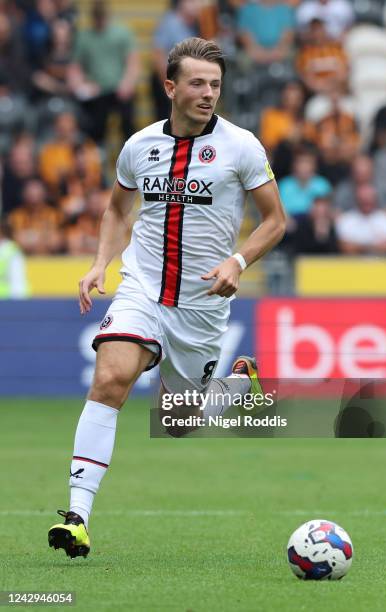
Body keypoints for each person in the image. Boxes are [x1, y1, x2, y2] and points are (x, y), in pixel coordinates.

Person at [47, 37, 286, 558]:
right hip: (143, 289)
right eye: (198, 83)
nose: (208, 94)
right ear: (171, 87)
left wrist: (238, 261)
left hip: (200, 308)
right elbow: (116, 210)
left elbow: (275, 221)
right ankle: (77, 517)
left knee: (178, 424)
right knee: (110, 378)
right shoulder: (139, 146)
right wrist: (99, 263)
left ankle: (237, 384)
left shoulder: (242, 146)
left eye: (216, 85)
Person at [68, 0, 140, 144]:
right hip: (97, 91)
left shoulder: (122, 33)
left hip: (119, 89)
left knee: (128, 126)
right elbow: (75, 68)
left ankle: (131, 155)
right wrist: (79, 86)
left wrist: (127, 83)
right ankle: (97, 158)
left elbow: (133, 63)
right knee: (95, 128)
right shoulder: (84, 37)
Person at [335, 183, 386, 255]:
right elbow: (345, 247)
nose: (366, 202)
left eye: (369, 199)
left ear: (375, 199)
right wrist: (374, 247)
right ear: (357, 200)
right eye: (363, 200)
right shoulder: (346, 220)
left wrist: (359, 246)